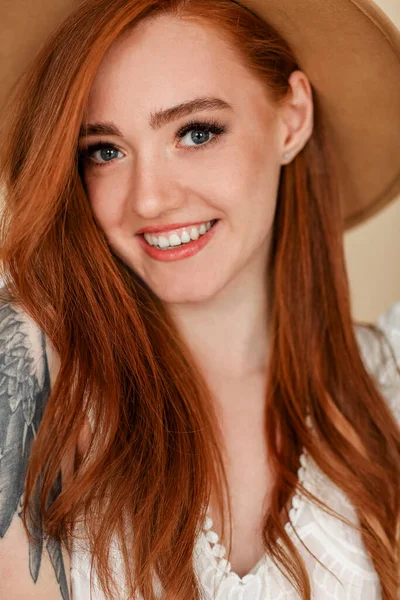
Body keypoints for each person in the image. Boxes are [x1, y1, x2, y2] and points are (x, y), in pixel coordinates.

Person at [0, 0, 399, 598]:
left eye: (196, 132)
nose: (151, 200)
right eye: (105, 150)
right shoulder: (34, 372)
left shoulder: (387, 385)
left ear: (291, 118)